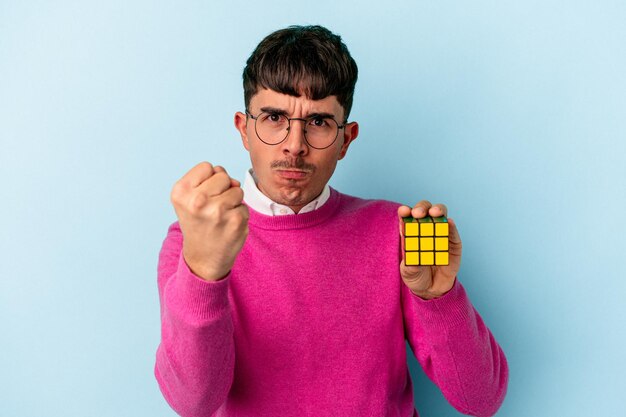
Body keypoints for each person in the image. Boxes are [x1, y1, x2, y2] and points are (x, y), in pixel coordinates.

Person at [154, 25, 508, 417]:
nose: (294, 144)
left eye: (319, 122)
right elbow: (193, 403)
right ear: (244, 129)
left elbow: (482, 399)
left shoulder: (399, 231)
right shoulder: (195, 241)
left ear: (346, 140)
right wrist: (205, 271)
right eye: (274, 117)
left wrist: (439, 298)